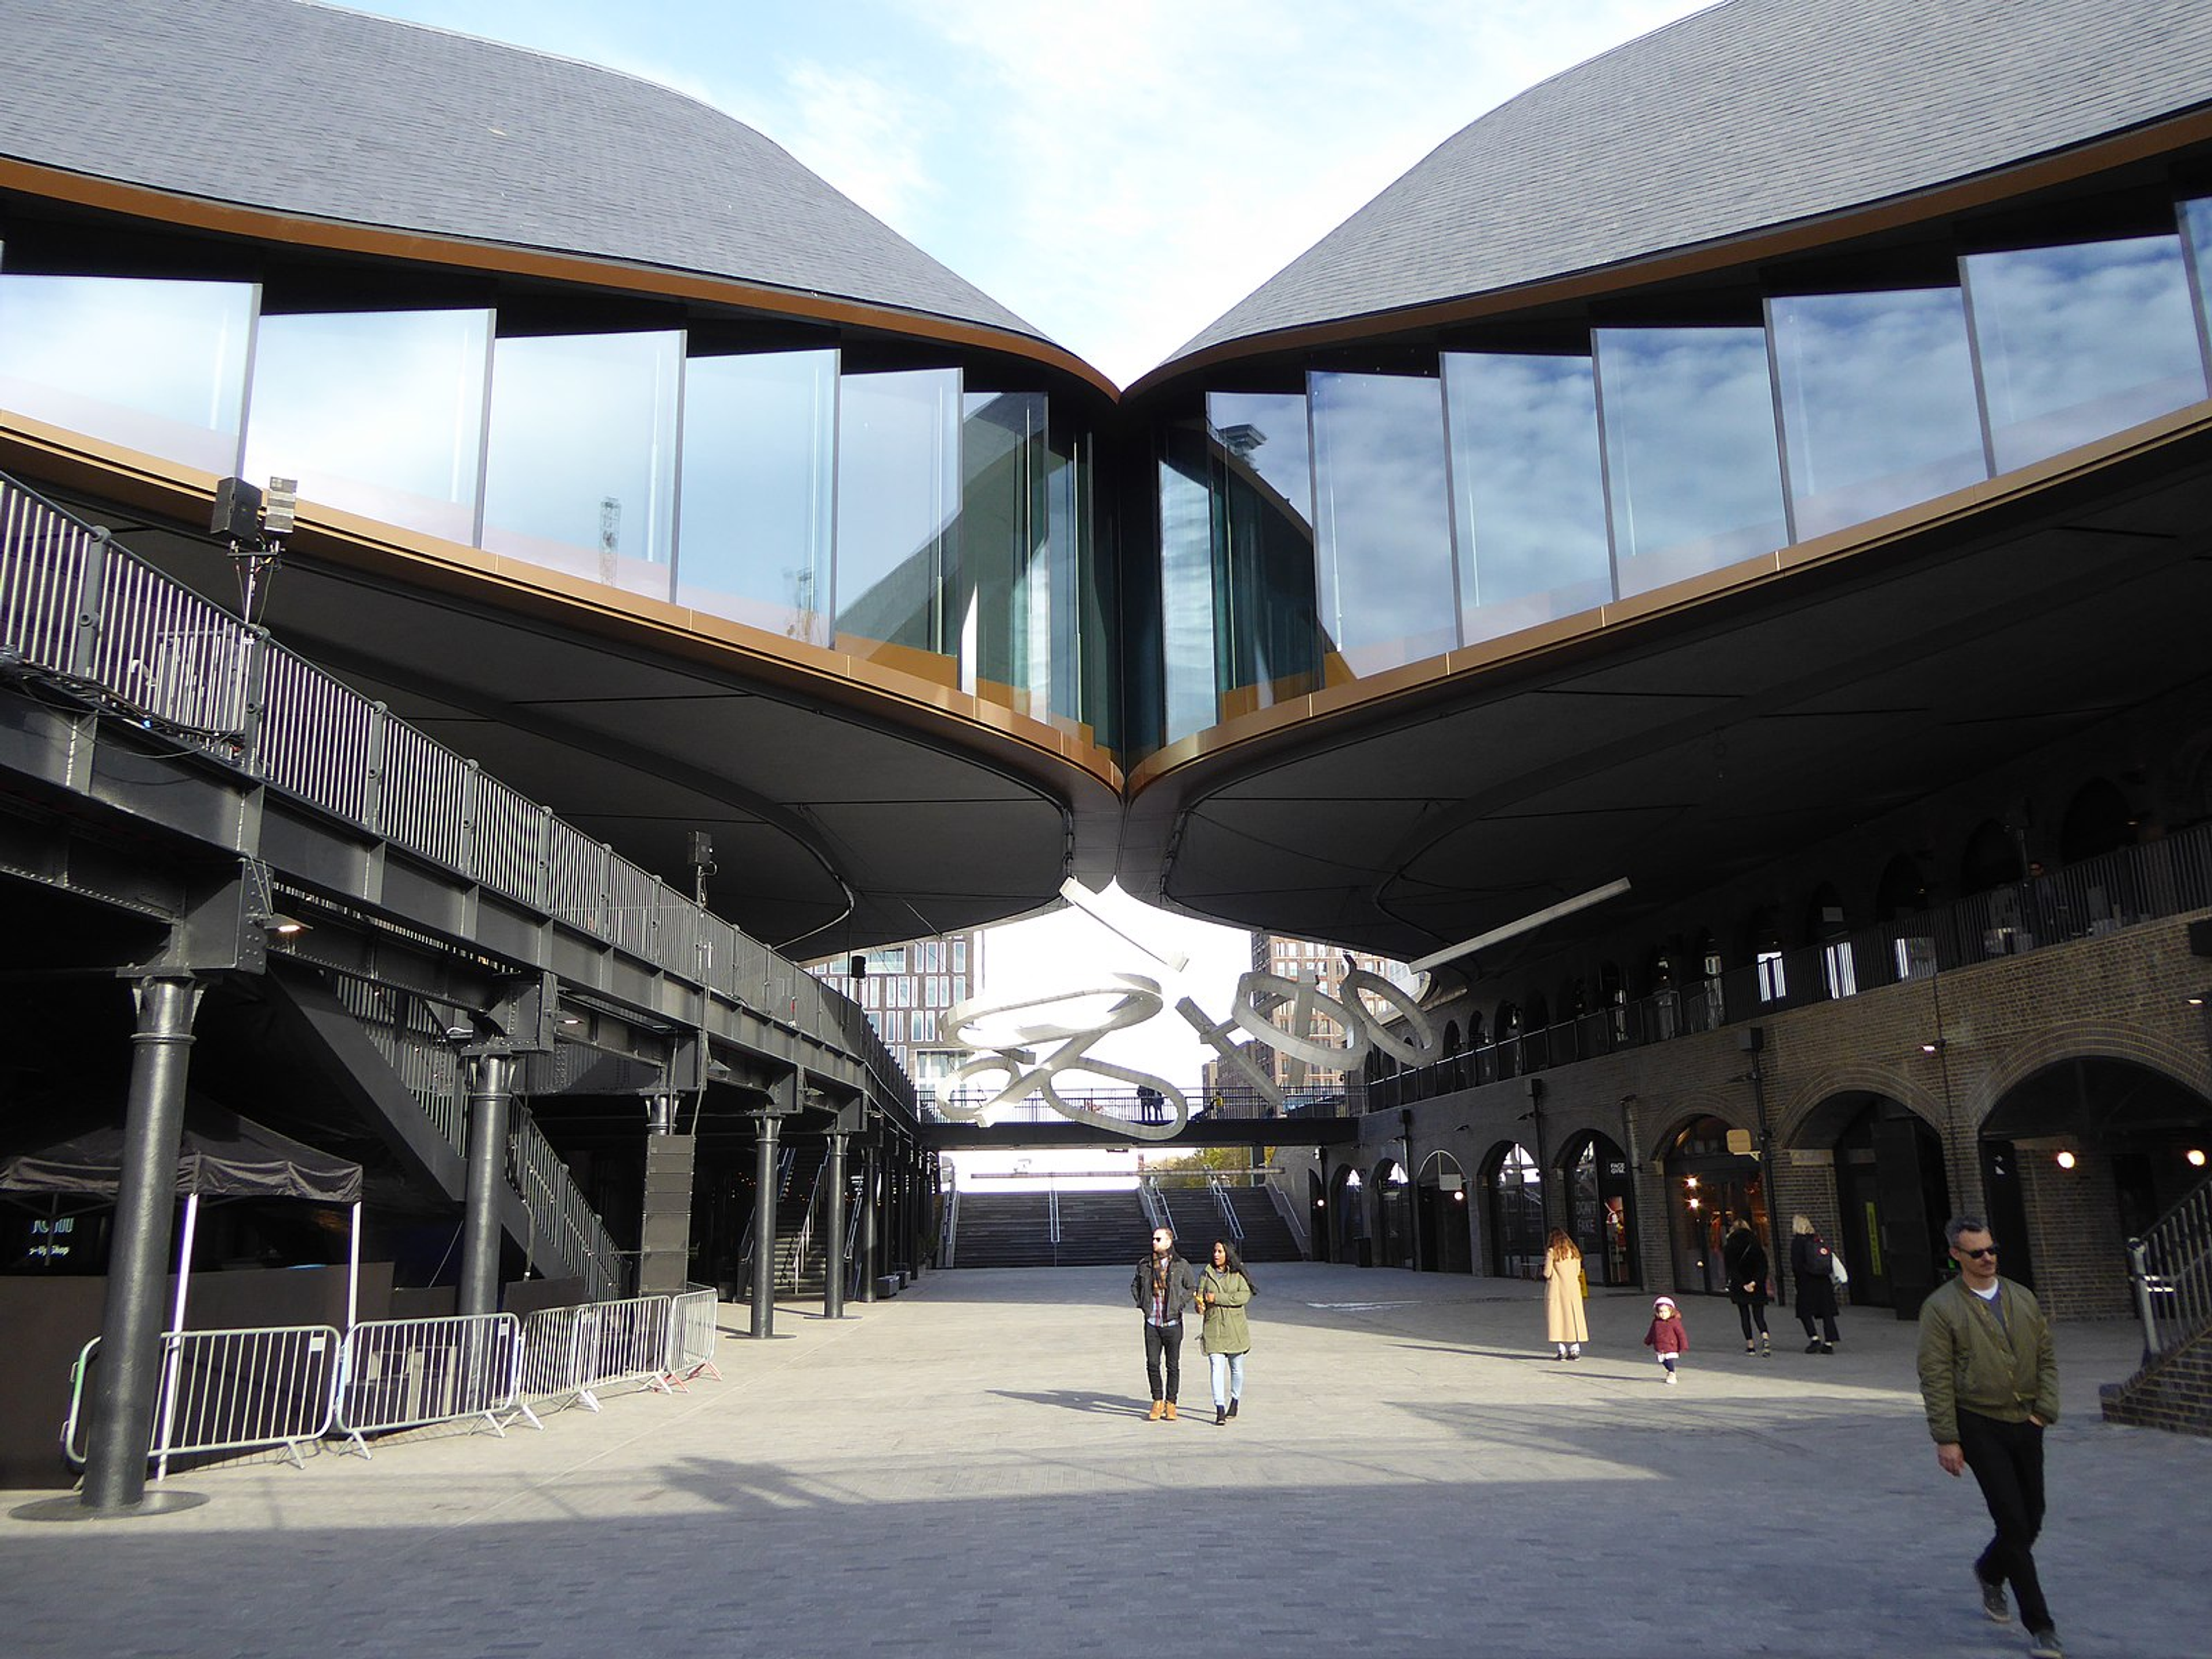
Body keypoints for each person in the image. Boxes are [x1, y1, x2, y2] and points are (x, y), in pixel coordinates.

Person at [1917, 1218, 2063, 1659]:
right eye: (1977, 1252)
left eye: (1992, 1249)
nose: (1988, 1258)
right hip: (1978, 1423)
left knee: (2033, 1515)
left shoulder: (2022, 1298)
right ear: (1956, 1256)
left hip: (2026, 1420)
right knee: (2013, 1522)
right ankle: (2041, 1626)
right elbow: (1935, 1374)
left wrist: (2044, 1411)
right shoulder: (1942, 1308)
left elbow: (2046, 1356)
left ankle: (1989, 1570)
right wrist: (1947, 1437)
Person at [1130, 1224, 1196, 1419]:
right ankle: (1157, 1401)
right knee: (1152, 1363)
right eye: (1153, 1239)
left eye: (1158, 1239)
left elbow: (1191, 1287)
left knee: (1172, 1365)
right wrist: (1142, 1304)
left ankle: (1171, 1403)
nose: (1154, 1242)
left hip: (1172, 1323)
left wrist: (1180, 1304)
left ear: (1169, 1241)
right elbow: (1136, 1285)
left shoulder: (1180, 1265)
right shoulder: (1145, 1264)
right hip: (1152, 1322)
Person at [1196, 1238, 1255, 1425]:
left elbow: (1243, 1296)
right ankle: (1219, 1408)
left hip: (1235, 1328)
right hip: (1214, 1328)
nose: (1216, 1255)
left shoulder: (1238, 1274)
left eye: (1220, 1251)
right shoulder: (1206, 1274)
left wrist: (1217, 1298)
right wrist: (1200, 1306)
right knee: (1216, 1367)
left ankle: (1235, 1400)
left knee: (1236, 1368)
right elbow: (1200, 1296)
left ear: (1228, 1254)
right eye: (1215, 1251)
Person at [1789, 1213, 1842, 1353]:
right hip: (1823, 1280)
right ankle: (1829, 1343)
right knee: (1827, 1312)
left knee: (1804, 1312)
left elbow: (1796, 1265)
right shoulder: (1817, 1239)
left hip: (1807, 1281)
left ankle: (1814, 1339)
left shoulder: (1798, 1242)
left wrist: (1798, 1282)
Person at [1723, 1218, 1773, 1355]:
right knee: (1759, 1315)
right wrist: (1754, 1282)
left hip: (1740, 1286)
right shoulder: (1755, 1243)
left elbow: (1731, 1268)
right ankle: (1765, 1338)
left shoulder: (1730, 1245)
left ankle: (1750, 1346)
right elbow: (1763, 1266)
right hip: (1757, 1285)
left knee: (1744, 1315)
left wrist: (1743, 1284)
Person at [1541, 1228, 1587, 1360]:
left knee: (1557, 1319)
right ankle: (1575, 1349)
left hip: (1557, 1290)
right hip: (1573, 1290)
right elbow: (1578, 1271)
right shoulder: (1574, 1252)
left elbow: (1547, 1273)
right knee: (1574, 1318)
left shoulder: (1552, 1252)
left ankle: (1561, 1350)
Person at [1643, 1294, 1689, 1384]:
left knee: (1669, 1359)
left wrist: (1683, 1345)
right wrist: (1648, 1340)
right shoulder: (1656, 1322)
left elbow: (1681, 1334)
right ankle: (1670, 1371)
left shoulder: (1674, 1322)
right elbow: (1652, 1332)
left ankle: (1672, 1373)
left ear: (1671, 1311)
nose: (1663, 1314)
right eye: (1660, 1312)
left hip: (1671, 1345)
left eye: (1665, 1312)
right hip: (1660, 1345)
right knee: (1663, 1360)